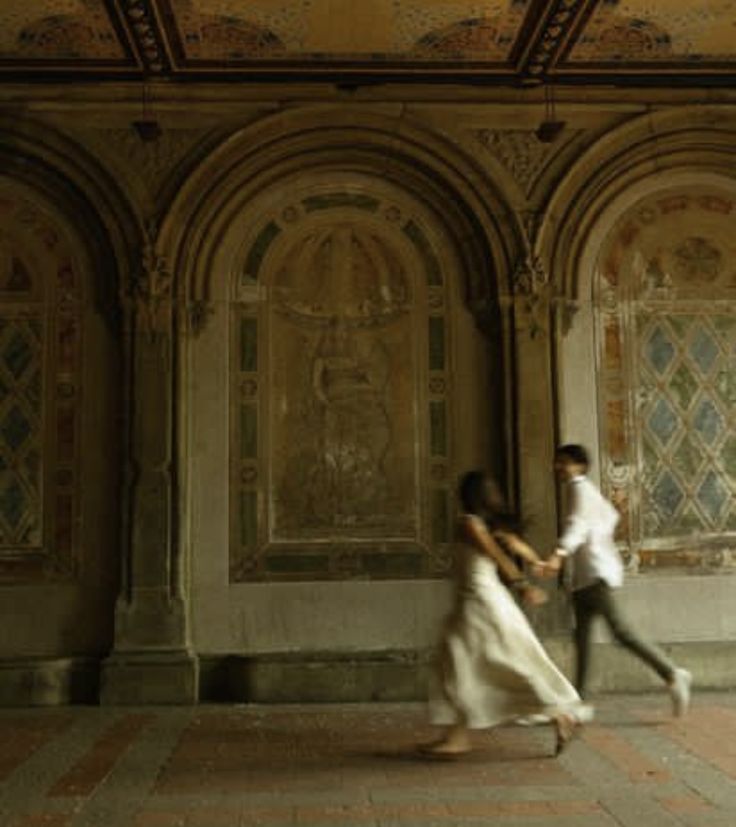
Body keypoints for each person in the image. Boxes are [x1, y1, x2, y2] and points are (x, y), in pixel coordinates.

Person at [421, 471, 585, 759]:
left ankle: (559, 715)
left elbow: (497, 554)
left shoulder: (470, 524)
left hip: (481, 605)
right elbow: (514, 545)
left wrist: (523, 585)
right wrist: (537, 562)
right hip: (478, 602)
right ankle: (456, 736)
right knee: (461, 663)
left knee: (494, 664)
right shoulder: (484, 524)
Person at [545, 444, 692, 717]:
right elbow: (603, 521)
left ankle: (672, 673)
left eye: (563, 462)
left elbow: (578, 526)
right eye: (557, 462)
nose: (558, 468)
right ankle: (580, 701)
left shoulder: (579, 488)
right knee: (584, 640)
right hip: (585, 579)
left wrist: (559, 554)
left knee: (620, 633)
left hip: (594, 577)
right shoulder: (581, 491)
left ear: (580, 466)